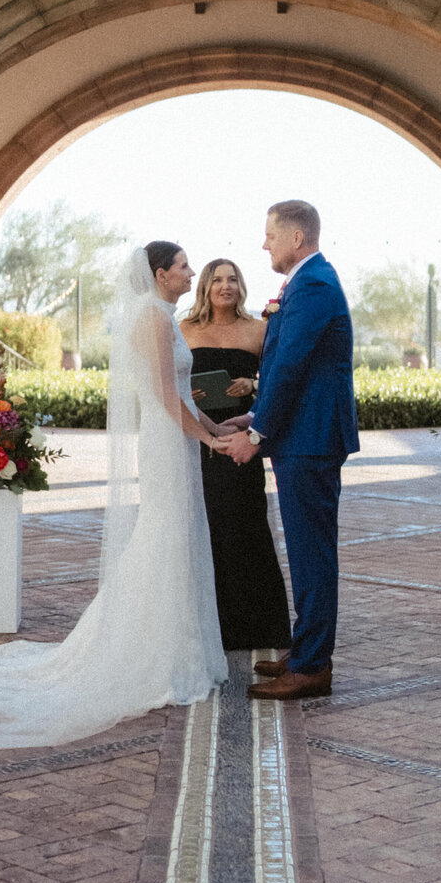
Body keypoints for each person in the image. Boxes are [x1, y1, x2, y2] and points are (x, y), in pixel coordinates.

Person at [0, 242, 229, 748]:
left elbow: (185, 395)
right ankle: (149, 654)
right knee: (163, 536)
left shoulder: (162, 316)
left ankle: (170, 649)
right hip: (167, 442)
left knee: (174, 535)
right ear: (160, 274)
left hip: (177, 439)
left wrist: (221, 425)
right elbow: (168, 399)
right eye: (184, 266)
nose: (192, 273)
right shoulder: (152, 318)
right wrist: (210, 438)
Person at [216, 201, 358, 700]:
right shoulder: (305, 283)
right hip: (302, 436)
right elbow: (285, 368)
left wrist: (256, 438)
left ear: (296, 238)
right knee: (304, 550)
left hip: (311, 439)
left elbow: (295, 366)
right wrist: (255, 416)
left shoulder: (314, 284)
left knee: (311, 553)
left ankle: (314, 666)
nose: (264, 244)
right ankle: (304, 652)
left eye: (270, 235)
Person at [181, 259, 291, 652]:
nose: (225, 286)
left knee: (246, 522)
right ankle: (212, 626)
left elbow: (280, 384)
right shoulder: (185, 330)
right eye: (217, 280)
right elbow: (169, 383)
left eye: (232, 279)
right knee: (205, 525)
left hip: (242, 438)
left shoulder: (259, 331)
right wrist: (188, 395)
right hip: (197, 439)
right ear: (205, 288)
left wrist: (253, 382)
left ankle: (260, 628)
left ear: (240, 286)